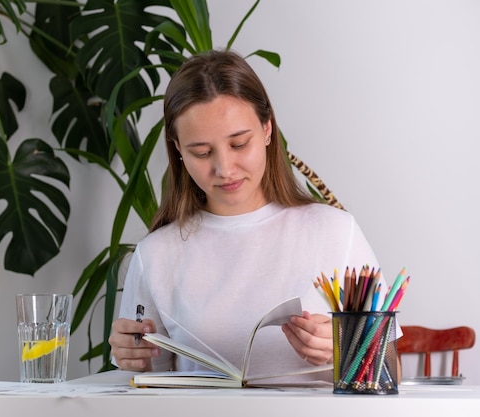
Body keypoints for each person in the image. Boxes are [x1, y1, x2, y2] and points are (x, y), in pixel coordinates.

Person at [108, 49, 387, 382]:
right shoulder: (156, 254)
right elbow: (150, 384)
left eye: (239, 144)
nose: (224, 168)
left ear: (267, 130)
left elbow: (389, 372)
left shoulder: (336, 232)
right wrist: (132, 355)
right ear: (178, 149)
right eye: (202, 152)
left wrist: (349, 348)